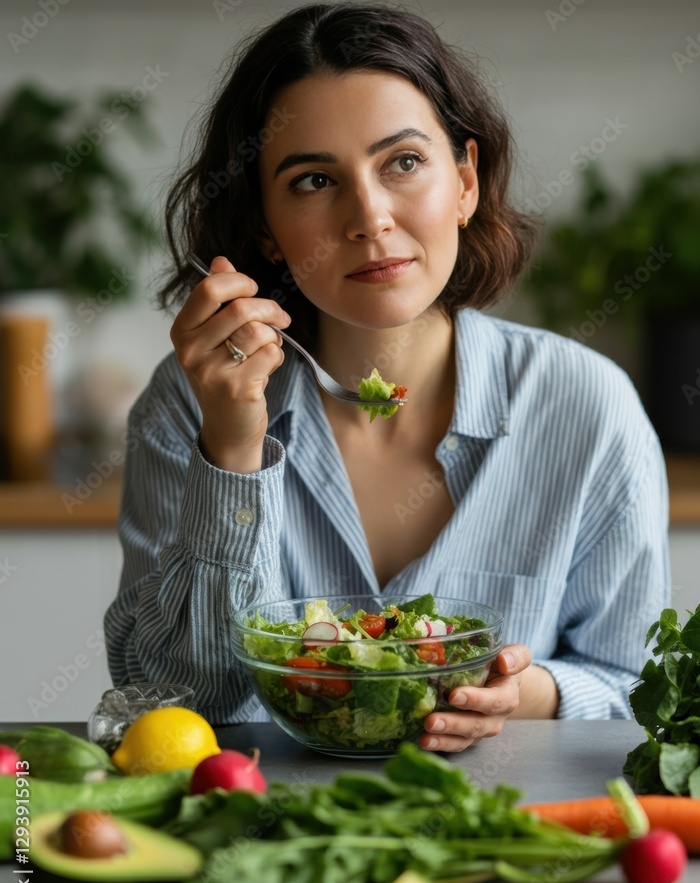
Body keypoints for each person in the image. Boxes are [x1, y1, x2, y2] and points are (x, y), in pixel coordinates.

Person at [104, 1, 670, 753]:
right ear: (266, 229)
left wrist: (527, 694)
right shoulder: (185, 406)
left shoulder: (588, 407)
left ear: (465, 181)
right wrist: (231, 454)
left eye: (403, 162)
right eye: (313, 181)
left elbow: (639, 691)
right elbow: (174, 703)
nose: (369, 217)